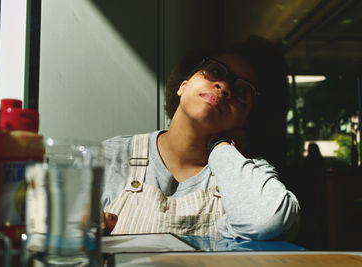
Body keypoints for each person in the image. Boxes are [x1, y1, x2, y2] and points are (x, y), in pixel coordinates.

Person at [101, 35, 300, 240]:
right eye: (216, 72)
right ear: (183, 85)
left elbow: (267, 220)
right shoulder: (113, 155)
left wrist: (220, 146)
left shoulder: (252, 173)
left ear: (246, 120)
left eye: (242, 91)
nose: (224, 87)